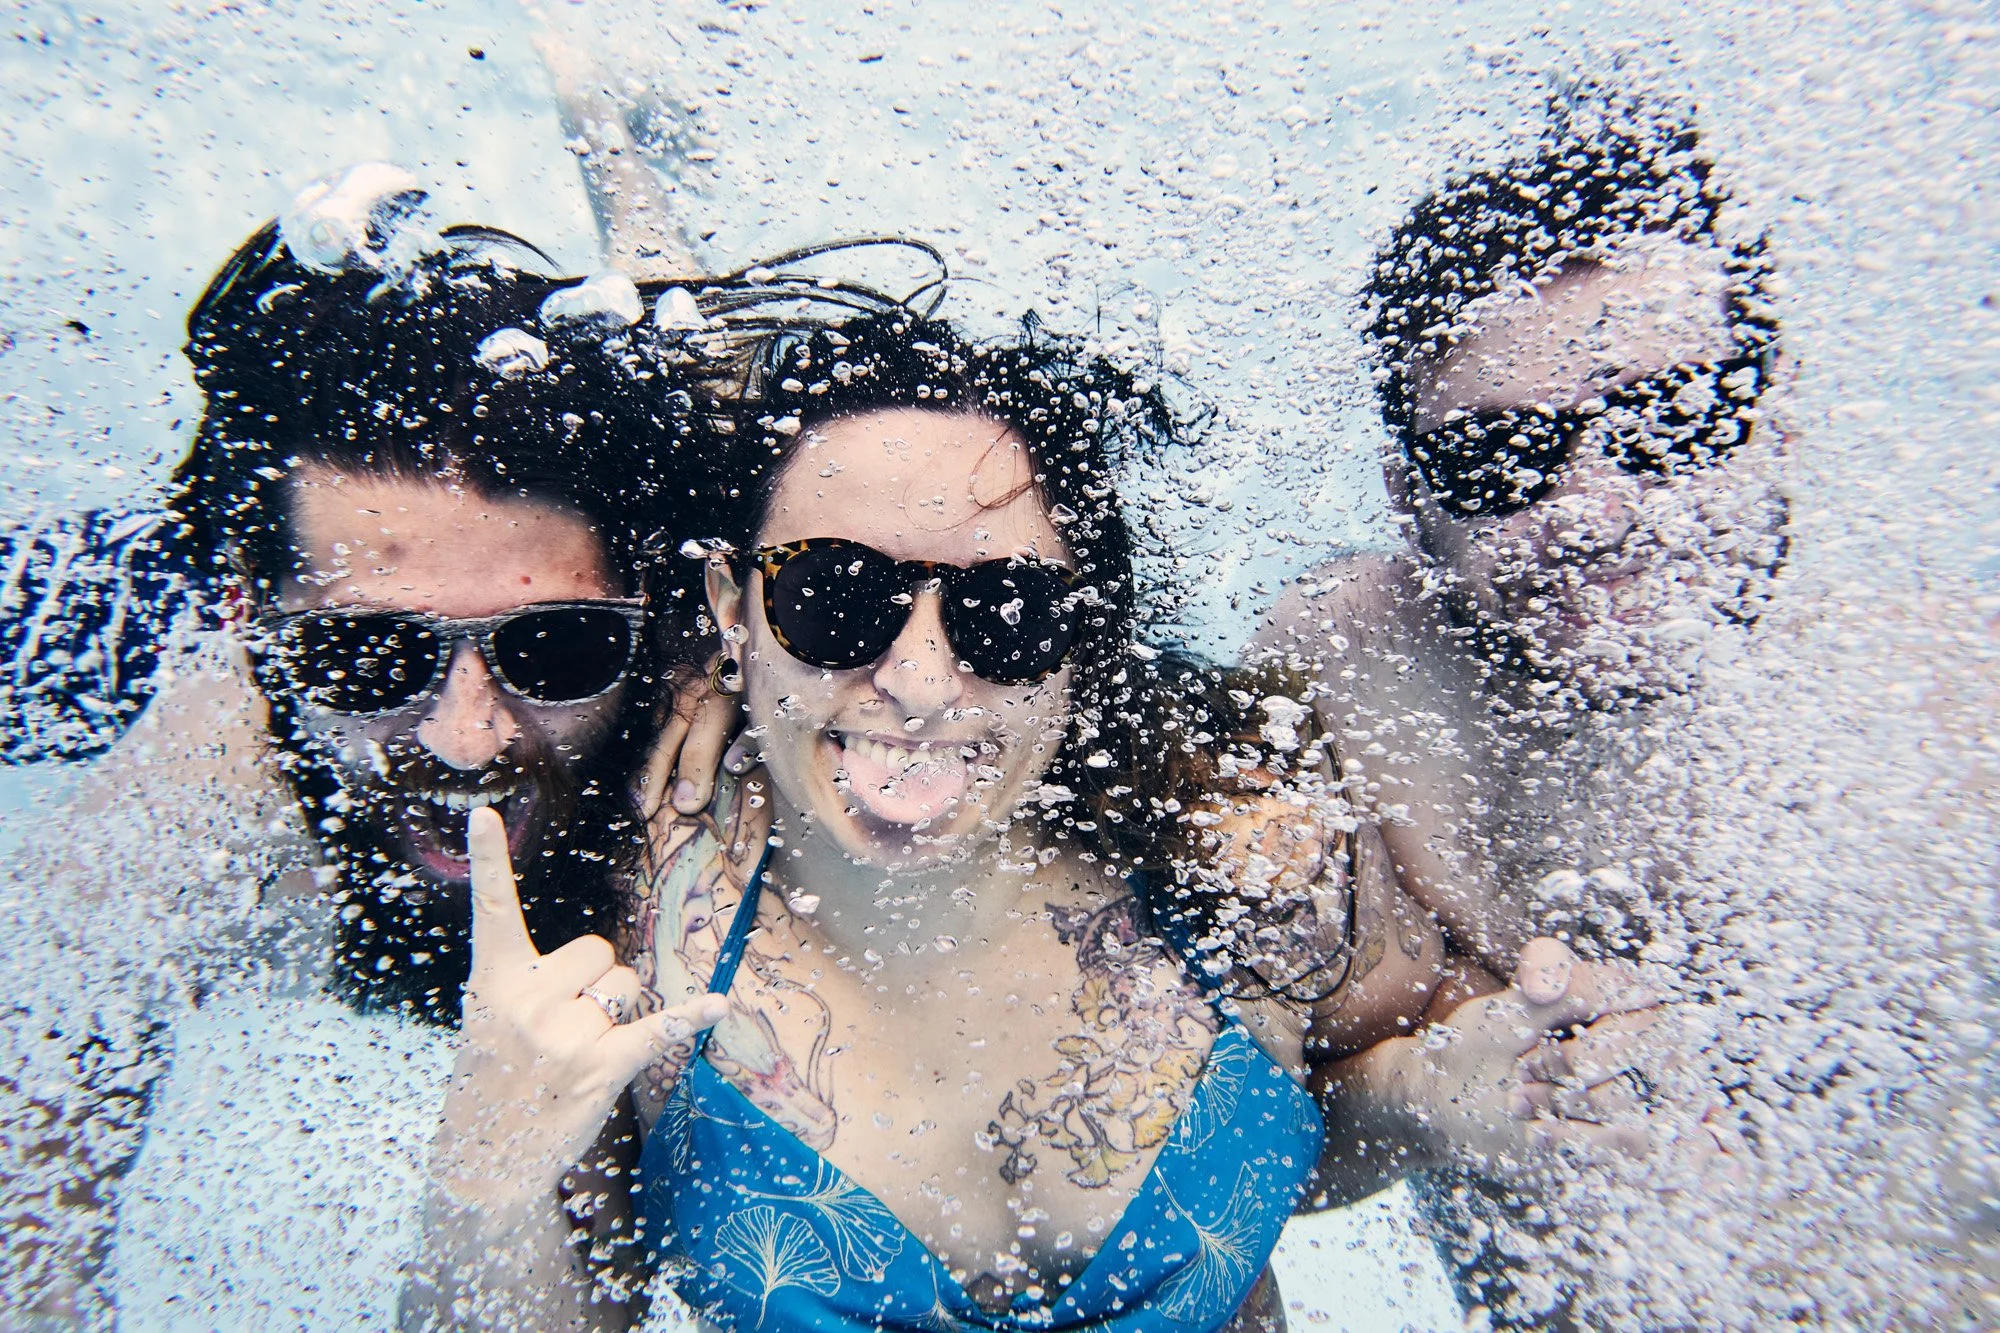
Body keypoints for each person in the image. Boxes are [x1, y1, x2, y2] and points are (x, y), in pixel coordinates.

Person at [414, 311, 1667, 1332]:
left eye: (1005, 614)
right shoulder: (628, 917)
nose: (915, 680)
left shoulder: (1242, 847)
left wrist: (1444, 1092)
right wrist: (486, 1167)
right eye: (835, 601)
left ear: (1077, 642)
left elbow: (1332, 1109)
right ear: (728, 609)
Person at [0, 165, 731, 1326]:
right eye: (369, 658)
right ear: (258, 621)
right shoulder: (217, 741)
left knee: (693, 368)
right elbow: (32, 1156)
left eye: (553, 648)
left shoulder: (695, 683)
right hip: (124, 612)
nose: (464, 730)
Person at [1248, 86, 1781, 1326]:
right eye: (1503, 459)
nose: (1594, 517)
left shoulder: (1945, 737)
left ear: (1779, 420)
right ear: (1407, 493)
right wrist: (1436, 1091)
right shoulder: (1346, 679)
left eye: (1670, 422)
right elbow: (1249, 1145)